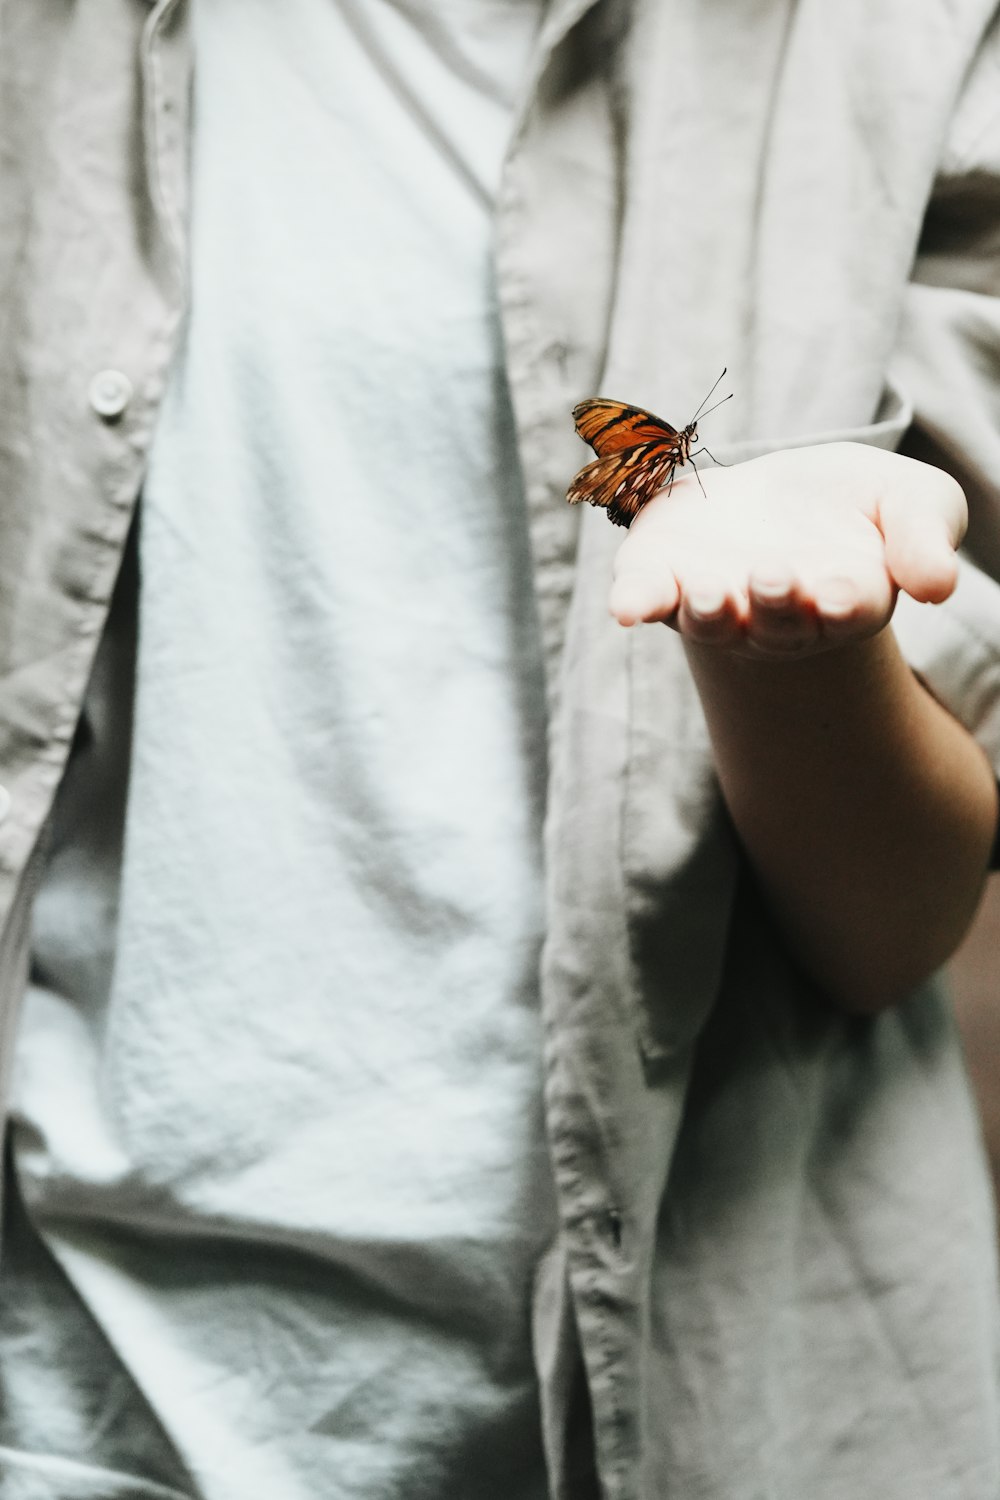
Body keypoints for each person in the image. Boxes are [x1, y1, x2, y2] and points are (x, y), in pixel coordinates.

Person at [1, 1, 1000, 1497]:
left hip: (712, 1385)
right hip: (72, 1381)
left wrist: (800, 656)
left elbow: (886, 930)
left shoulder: (909, 41)